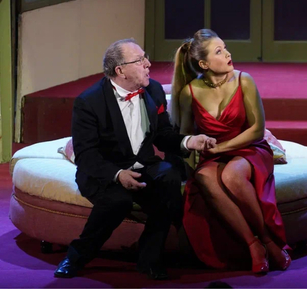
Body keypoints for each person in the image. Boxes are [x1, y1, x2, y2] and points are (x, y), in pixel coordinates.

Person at [54, 39, 215, 280]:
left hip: (143, 165)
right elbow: (86, 154)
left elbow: (163, 135)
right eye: (140, 61)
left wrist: (189, 142)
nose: (148, 64)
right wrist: (118, 175)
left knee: (169, 178)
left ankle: (149, 259)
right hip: (105, 171)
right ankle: (77, 256)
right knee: (118, 201)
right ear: (120, 71)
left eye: (145, 57)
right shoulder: (89, 102)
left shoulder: (154, 90)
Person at [171, 29, 291, 274]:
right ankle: (252, 244)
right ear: (204, 64)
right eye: (219, 51)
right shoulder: (189, 93)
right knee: (204, 177)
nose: (228, 54)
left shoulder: (244, 80)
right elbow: (186, 137)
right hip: (214, 155)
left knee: (231, 175)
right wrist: (190, 164)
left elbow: (257, 130)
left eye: (225, 48)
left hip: (250, 148)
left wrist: (221, 147)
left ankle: (268, 240)